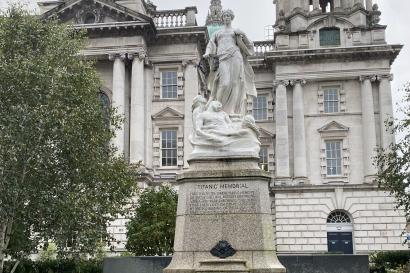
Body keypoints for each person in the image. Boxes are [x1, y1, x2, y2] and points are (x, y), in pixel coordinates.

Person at [203, 9, 257, 116]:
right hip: (223, 58)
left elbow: (250, 45)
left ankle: (231, 110)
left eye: (228, 16)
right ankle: (217, 107)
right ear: (222, 18)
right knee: (225, 83)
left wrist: (243, 35)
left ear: (231, 18)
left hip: (235, 56)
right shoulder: (217, 33)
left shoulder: (235, 31)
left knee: (235, 83)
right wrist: (207, 52)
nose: (226, 17)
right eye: (225, 16)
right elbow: (210, 43)